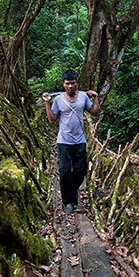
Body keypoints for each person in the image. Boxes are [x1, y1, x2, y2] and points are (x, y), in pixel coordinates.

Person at [42, 69, 99, 213]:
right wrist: (47, 103)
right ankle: (69, 201)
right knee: (65, 171)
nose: (70, 86)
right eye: (67, 84)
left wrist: (96, 97)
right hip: (64, 142)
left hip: (80, 141)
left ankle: (72, 191)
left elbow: (94, 112)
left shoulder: (83, 98)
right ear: (63, 84)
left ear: (77, 83)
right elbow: (52, 119)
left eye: (73, 83)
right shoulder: (59, 100)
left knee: (81, 170)